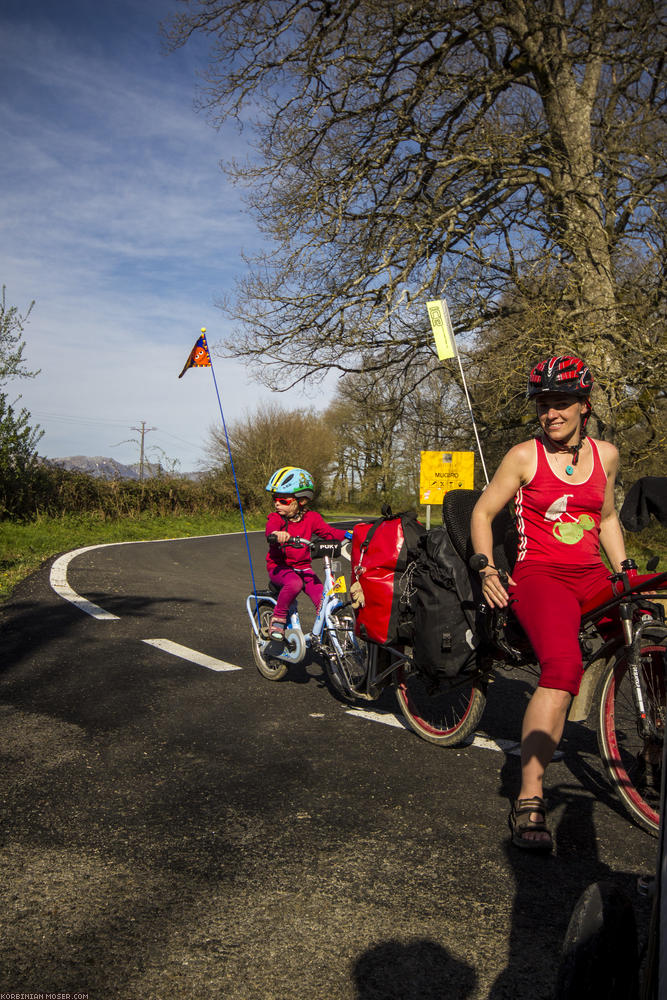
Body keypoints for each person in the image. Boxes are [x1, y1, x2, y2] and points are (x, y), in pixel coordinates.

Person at [470, 355, 632, 851]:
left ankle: (647, 724)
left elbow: (604, 518)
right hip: (541, 577)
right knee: (562, 666)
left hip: (590, 574)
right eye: (543, 405)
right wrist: (486, 567)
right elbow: (482, 510)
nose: (551, 414)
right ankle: (530, 794)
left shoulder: (606, 455)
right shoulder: (524, 456)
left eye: (561, 403)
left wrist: (624, 574)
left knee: (644, 612)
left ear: (584, 404)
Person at [264, 466, 352, 641]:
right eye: (275, 499)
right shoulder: (276, 518)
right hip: (280, 568)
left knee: (323, 595)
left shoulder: (312, 518)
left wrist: (351, 534)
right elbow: (270, 530)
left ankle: (326, 627)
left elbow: (329, 533)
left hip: (304, 569)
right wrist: (276, 535)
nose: (277, 504)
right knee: (294, 583)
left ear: (301, 500)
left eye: (284, 501)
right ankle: (278, 619)